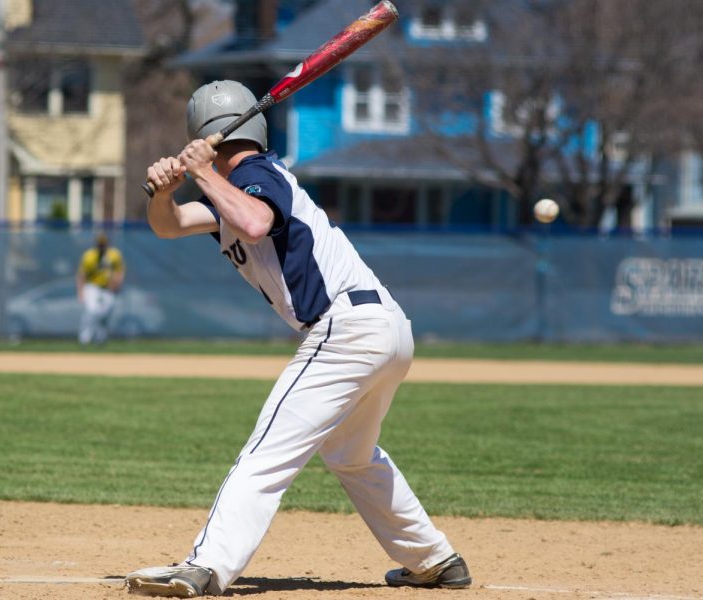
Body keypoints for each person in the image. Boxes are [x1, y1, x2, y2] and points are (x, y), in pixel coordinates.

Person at [126, 81, 470, 597]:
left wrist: (199, 171)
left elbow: (256, 222)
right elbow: (170, 226)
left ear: (203, 135)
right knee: (351, 455)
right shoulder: (237, 185)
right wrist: (166, 190)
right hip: (384, 329)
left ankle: (206, 566)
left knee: (266, 453)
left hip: (346, 331)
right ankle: (435, 560)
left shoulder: (255, 174)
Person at [76, 232, 126, 345]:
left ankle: (100, 339)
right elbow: (81, 275)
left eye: (103, 244)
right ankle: (85, 337)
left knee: (106, 313)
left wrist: (117, 284)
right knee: (91, 310)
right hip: (92, 287)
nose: (102, 246)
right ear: (96, 244)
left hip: (108, 288)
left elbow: (120, 271)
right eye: (100, 244)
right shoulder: (89, 256)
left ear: (107, 243)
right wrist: (80, 291)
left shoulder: (114, 255)